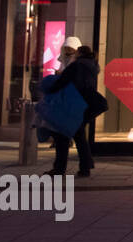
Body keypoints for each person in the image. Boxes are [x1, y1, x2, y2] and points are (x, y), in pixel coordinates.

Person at [41, 38, 103, 178]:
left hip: (71, 104)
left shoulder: (77, 65)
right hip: (84, 104)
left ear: (78, 53)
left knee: (62, 136)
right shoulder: (92, 65)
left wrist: (50, 88)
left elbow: (63, 81)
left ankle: (60, 168)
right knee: (79, 136)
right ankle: (85, 167)